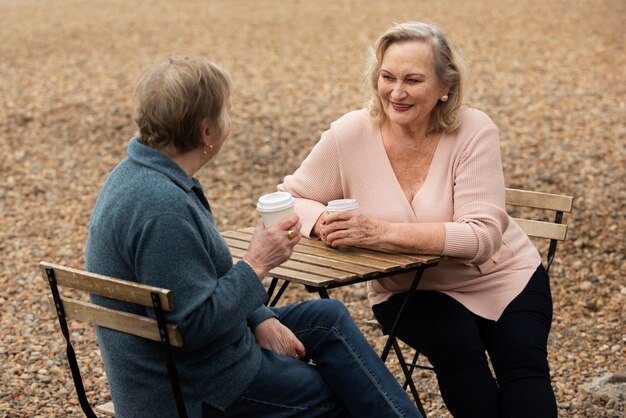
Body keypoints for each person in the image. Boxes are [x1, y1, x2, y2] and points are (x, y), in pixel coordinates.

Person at [85, 56, 423, 418]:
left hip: (189, 361)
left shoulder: (140, 173)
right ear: (207, 132)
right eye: (226, 112)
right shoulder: (162, 208)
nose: (229, 122)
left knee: (328, 317)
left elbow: (201, 285)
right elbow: (193, 327)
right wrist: (257, 262)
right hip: (195, 388)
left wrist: (259, 316)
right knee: (346, 395)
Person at [278, 21, 558, 418]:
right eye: (387, 77)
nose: (396, 92)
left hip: (503, 276)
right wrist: (322, 220)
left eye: (413, 80)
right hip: (410, 289)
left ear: (446, 87)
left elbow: (482, 239)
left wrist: (383, 232)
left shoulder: (474, 130)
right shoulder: (351, 134)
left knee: (525, 369)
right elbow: (288, 197)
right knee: (460, 356)